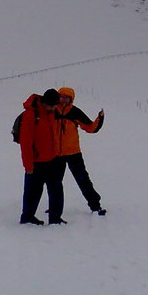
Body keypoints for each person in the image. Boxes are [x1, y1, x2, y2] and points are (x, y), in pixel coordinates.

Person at [18, 88, 66, 225]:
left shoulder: (51, 113)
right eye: (51, 105)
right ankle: (27, 217)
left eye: (55, 105)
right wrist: (28, 166)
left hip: (52, 159)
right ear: (44, 102)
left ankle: (55, 218)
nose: (53, 108)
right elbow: (25, 143)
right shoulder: (30, 115)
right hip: (36, 162)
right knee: (32, 193)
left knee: (56, 190)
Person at [55, 86, 107, 215]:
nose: (63, 100)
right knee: (54, 182)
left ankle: (95, 205)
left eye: (66, 98)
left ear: (71, 99)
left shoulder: (75, 111)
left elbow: (90, 128)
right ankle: (54, 207)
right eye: (61, 96)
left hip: (73, 153)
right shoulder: (51, 110)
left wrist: (99, 119)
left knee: (83, 180)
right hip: (55, 153)